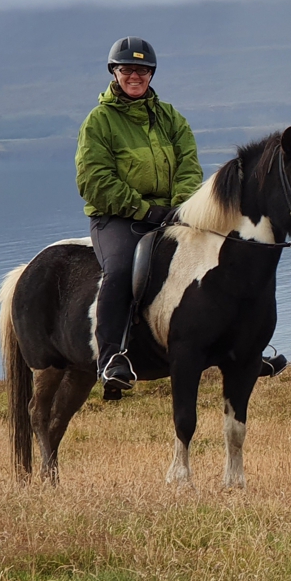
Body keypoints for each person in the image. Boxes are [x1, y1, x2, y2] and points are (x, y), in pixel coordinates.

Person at [76, 37, 202, 392]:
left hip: (171, 214)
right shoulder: (98, 122)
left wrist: (179, 206)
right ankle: (112, 357)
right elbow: (95, 179)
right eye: (127, 69)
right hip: (117, 218)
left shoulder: (170, 117)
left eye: (142, 70)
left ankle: (240, 347)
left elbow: (189, 165)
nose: (135, 76)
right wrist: (144, 209)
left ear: (151, 74)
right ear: (114, 73)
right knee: (118, 271)